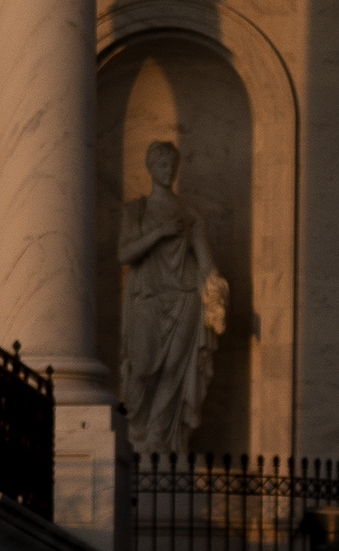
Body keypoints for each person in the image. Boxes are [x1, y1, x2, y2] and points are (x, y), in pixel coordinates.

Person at [120, 137, 224, 454]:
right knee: (141, 368)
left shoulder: (191, 216)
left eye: (173, 165)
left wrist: (216, 286)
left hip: (185, 298)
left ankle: (159, 440)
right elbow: (125, 254)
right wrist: (158, 233)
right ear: (151, 168)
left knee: (173, 371)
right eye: (163, 165)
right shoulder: (136, 211)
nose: (169, 171)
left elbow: (204, 262)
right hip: (148, 299)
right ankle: (136, 434)